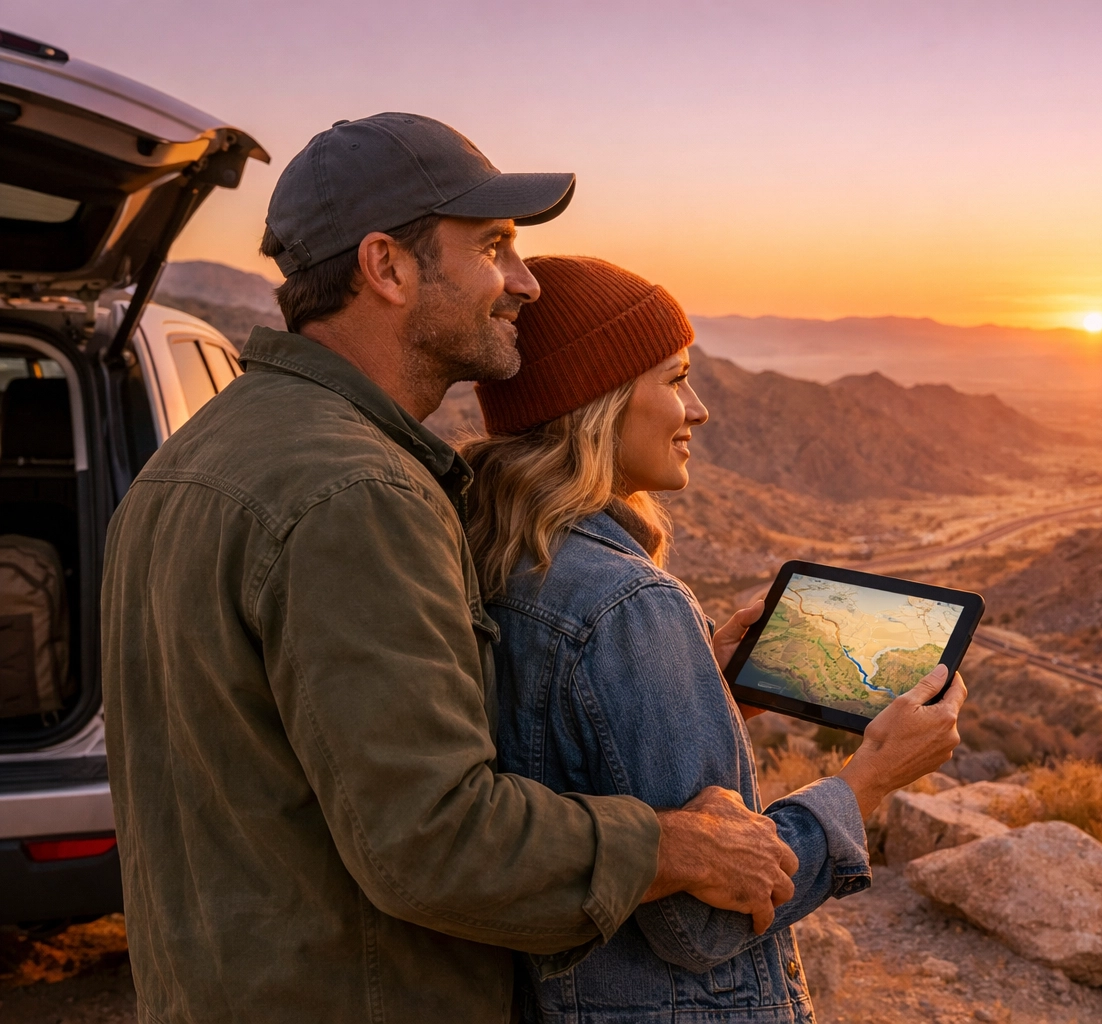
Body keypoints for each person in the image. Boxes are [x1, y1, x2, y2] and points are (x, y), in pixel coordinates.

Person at [101, 115, 797, 1024]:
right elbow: (432, 841)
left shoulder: (198, 456)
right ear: (386, 267)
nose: (525, 280)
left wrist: (671, 686)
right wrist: (680, 847)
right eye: (496, 246)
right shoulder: (353, 495)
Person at [462, 255, 967, 1022]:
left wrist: (708, 691)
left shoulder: (496, 557)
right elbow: (709, 919)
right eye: (674, 379)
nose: (697, 409)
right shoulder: (629, 603)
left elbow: (566, 759)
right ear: (593, 402)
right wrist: (870, 780)